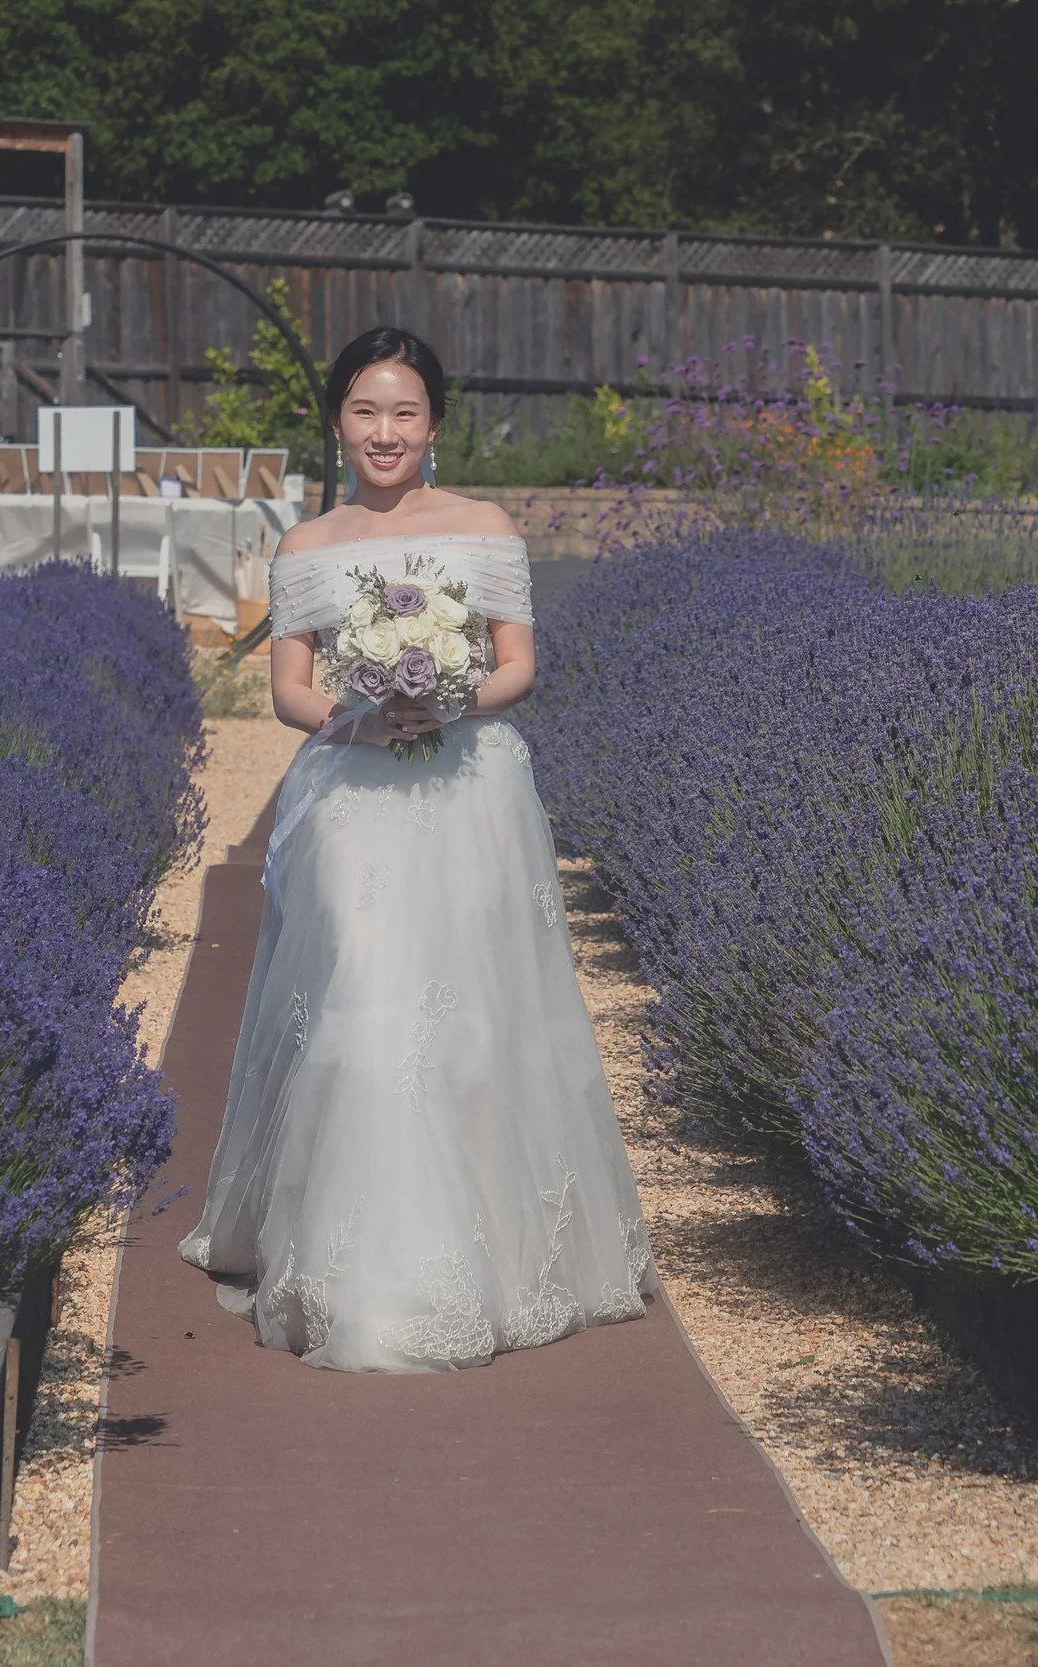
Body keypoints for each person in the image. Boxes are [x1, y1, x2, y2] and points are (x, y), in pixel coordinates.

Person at [178, 326, 657, 1371]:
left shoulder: (484, 527)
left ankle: (478, 1247)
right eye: (363, 410)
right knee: (360, 983)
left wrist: (437, 701)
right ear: (338, 420)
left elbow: (517, 666)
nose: (383, 431)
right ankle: (349, 1258)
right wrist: (364, 713)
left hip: (469, 782)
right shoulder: (305, 545)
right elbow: (286, 690)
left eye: (403, 412)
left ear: (434, 422)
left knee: (473, 1007)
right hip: (349, 787)